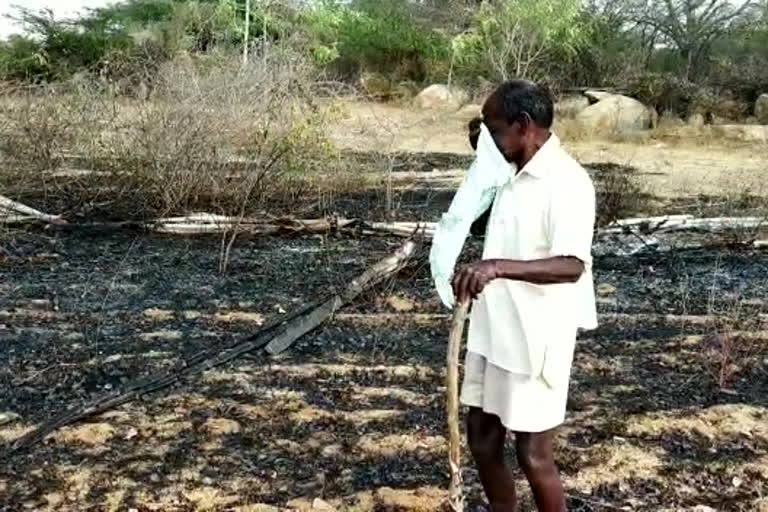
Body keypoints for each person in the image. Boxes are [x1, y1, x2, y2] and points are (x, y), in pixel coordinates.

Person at [449, 80, 598, 511]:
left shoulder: (567, 182)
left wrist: (495, 267)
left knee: (533, 454)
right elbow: (481, 226)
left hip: (537, 337)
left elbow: (572, 265)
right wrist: (485, 160)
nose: (490, 139)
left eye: (494, 128)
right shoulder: (507, 171)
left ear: (523, 125)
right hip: (495, 327)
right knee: (482, 438)